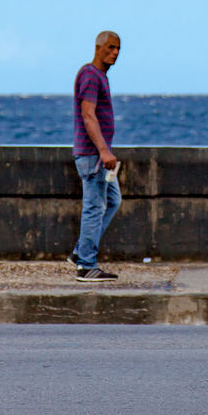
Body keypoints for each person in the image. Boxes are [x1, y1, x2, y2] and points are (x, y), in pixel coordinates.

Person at [70, 30, 122, 283]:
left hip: (98, 156)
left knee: (113, 201)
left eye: (118, 49)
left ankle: (80, 252)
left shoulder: (100, 76)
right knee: (94, 207)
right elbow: (88, 115)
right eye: (110, 47)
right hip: (93, 156)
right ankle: (86, 265)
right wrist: (103, 150)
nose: (115, 53)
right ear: (98, 47)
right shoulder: (91, 75)